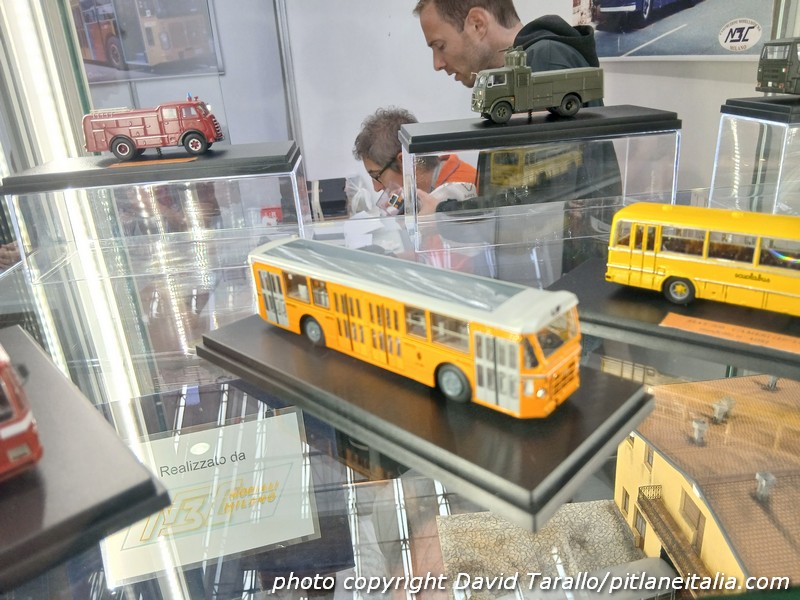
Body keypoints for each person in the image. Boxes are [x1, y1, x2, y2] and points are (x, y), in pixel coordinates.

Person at [414, 1, 622, 276]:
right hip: (552, 269)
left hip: (563, 275)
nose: (437, 64)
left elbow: (535, 204)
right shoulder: (526, 69)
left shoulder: (544, 62)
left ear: (477, 23)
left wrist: (444, 215)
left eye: (440, 46)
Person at [352, 107, 495, 275]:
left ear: (403, 161)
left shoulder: (459, 193)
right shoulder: (427, 189)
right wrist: (390, 259)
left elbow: (451, 272)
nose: (376, 188)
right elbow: (430, 255)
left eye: (376, 176)